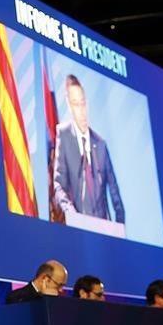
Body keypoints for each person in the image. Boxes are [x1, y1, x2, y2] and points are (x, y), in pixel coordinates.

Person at [52, 75, 124, 223]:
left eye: (83, 103)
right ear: (69, 105)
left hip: (105, 232)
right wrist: (71, 214)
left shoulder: (100, 144)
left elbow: (115, 195)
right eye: (76, 104)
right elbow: (59, 185)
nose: (82, 110)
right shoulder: (64, 135)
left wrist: (119, 229)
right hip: (77, 230)